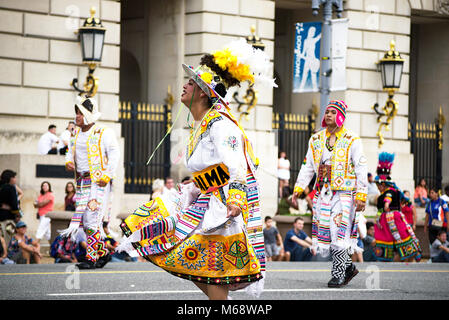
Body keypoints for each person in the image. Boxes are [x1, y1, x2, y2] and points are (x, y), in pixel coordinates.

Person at [117, 39, 275, 300]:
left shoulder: (221, 125)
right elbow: (211, 170)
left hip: (222, 204)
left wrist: (234, 199)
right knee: (194, 261)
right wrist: (194, 185)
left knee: (211, 267)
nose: (184, 85)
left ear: (203, 92)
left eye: (191, 82)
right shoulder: (203, 124)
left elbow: (233, 166)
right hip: (204, 196)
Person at [292, 100, 367, 287]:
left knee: (338, 232)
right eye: (327, 112)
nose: (329, 115)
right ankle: (348, 267)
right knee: (327, 232)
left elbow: (361, 167)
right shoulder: (316, 139)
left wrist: (362, 194)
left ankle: (339, 273)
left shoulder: (352, 139)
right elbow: (307, 166)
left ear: (341, 115)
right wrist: (299, 187)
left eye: (333, 112)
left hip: (345, 195)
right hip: (323, 194)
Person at [61, 95, 120, 270]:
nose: (76, 116)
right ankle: (103, 253)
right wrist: (68, 162)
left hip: (98, 182)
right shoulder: (75, 133)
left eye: (79, 113)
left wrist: (107, 175)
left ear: (87, 114)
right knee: (86, 220)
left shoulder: (104, 132)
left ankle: (91, 257)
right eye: (76, 113)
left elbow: (115, 154)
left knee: (92, 218)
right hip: (81, 182)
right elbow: (69, 151)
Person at [373, 152, 422, 262]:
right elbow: (406, 201)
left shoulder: (388, 191)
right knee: (400, 236)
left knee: (399, 236)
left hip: (391, 218)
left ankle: (413, 252)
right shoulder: (396, 190)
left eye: (378, 185)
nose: (378, 187)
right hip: (391, 217)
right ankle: (407, 253)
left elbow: (388, 198)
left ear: (383, 184)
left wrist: (386, 204)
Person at [0, 170, 21, 246]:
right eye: (14, 177)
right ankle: (6, 255)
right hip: (8, 217)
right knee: (8, 238)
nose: (15, 179)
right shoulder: (11, 188)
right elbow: (14, 205)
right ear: (10, 178)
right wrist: (18, 214)